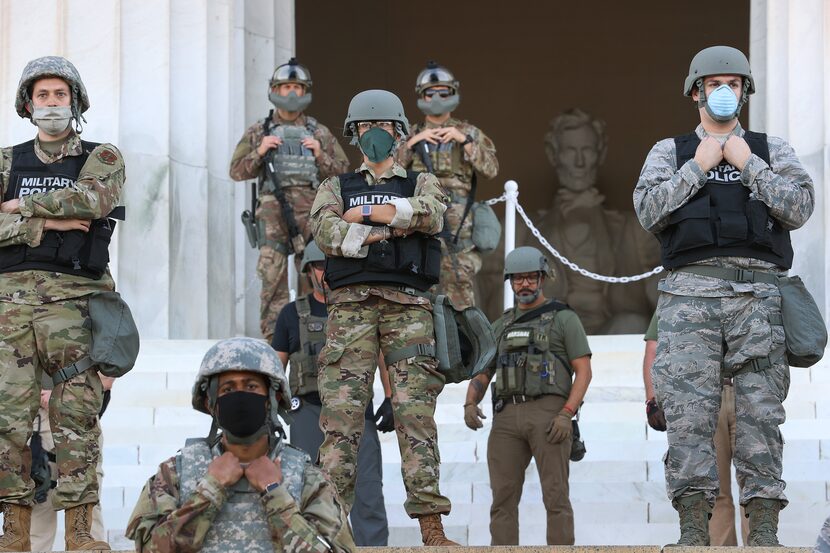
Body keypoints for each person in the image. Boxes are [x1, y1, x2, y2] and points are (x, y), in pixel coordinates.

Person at [633, 45, 814, 546]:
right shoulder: (668, 152)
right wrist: (698, 167)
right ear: (696, 92)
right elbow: (647, 211)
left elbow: (800, 207)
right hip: (690, 298)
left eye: (733, 84)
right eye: (714, 84)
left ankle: (764, 537)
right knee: (689, 416)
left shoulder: (770, 149)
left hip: (756, 298)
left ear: (746, 92)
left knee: (760, 415)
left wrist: (748, 164)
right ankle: (694, 534)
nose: (723, 92)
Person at [309, 89, 456, 546]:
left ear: (399, 133)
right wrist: (395, 223)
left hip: (408, 309)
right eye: (368, 129)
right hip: (350, 311)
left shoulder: (421, 181)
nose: (377, 135)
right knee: (342, 423)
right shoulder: (333, 186)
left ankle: (432, 530)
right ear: (355, 135)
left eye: (385, 128)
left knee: (415, 417)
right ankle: (332, 533)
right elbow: (327, 232)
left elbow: (433, 214)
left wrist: (368, 217)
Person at [0, 56, 127, 552]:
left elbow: (94, 201)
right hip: (10, 305)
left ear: (75, 101)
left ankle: (80, 534)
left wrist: (20, 207)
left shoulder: (103, 155)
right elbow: (71, 207)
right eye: (42, 96)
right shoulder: (7, 161)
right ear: (27, 105)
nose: (51, 104)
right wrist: (45, 225)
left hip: (75, 301)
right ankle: (13, 531)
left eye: (60, 95)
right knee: (8, 420)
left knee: (75, 419)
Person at [126, 337, 356, 553]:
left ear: (272, 399)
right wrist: (210, 490)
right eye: (228, 389)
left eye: (251, 387)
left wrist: (275, 494)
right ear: (211, 403)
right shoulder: (177, 473)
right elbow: (150, 549)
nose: (240, 397)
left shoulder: (308, 478)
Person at [463, 246, 592, 545]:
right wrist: (470, 402)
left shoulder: (563, 318)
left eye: (531, 278)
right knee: (502, 500)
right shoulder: (502, 324)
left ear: (543, 278)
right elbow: (484, 370)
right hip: (506, 417)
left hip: (549, 415)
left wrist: (566, 414)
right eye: (518, 279)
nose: (524, 284)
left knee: (556, 496)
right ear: (510, 282)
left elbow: (583, 371)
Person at [271, 240, 390, 546]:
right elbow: (276, 366)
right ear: (308, 270)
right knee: (306, 493)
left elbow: (382, 357)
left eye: (329, 265)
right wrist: (269, 409)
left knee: (368, 495)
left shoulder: (362, 308)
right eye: (319, 266)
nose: (325, 273)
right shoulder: (290, 314)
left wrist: (391, 399)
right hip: (308, 413)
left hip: (357, 414)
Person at [229, 58, 349, 341]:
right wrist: (259, 152)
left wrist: (321, 154)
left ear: (305, 90)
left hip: (312, 214)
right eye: (285, 88)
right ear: (274, 90)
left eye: (296, 87)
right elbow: (236, 171)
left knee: (319, 276)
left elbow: (344, 173)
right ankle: (276, 343)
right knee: (272, 281)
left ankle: (321, 339)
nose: (291, 94)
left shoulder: (317, 132)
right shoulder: (260, 130)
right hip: (273, 216)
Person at [395, 61, 498, 309]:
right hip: (422, 219)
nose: (437, 98)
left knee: (460, 286)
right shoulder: (410, 134)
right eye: (430, 93)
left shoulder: (469, 132)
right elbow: (388, 169)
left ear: (453, 93)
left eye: (443, 92)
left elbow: (492, 169)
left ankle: (463, 344)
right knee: (418, 284)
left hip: (458, 225)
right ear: (421, 95)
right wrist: (413, 143)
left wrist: (465, 142)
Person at [641, 313, 748, 545]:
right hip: (704, 394)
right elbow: (654, 347)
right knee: (715, 486)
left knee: (755, 487)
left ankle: (759, 549)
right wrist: (653, 400)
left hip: (749, 390)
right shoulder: (681, 285)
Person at [29, 373, 112, 551]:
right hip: (38, 416)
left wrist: (66, 396)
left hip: (79, 413)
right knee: (39, 500)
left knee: (86, 502)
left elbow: (111, 369)